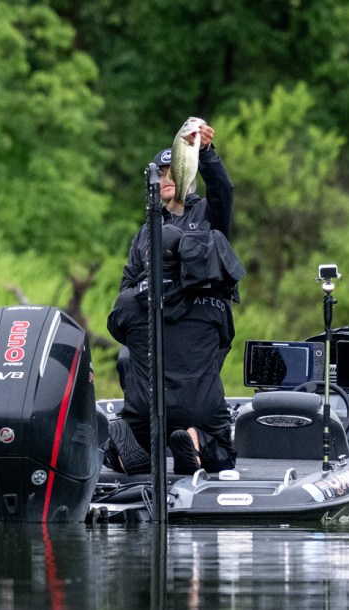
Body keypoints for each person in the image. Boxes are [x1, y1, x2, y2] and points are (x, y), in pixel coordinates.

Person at [105, 119, 243, 475]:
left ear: (186, 174)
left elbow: (223, 189)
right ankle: (187, 440)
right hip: (156, 331)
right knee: (129, 359)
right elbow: (127, 286)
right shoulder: (145, 232)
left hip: (197, 330)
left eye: (172, 172)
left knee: (193, 371)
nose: (167, 178)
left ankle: (138, 439)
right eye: (161, 174)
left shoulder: (207, 215)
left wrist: (206, 152)